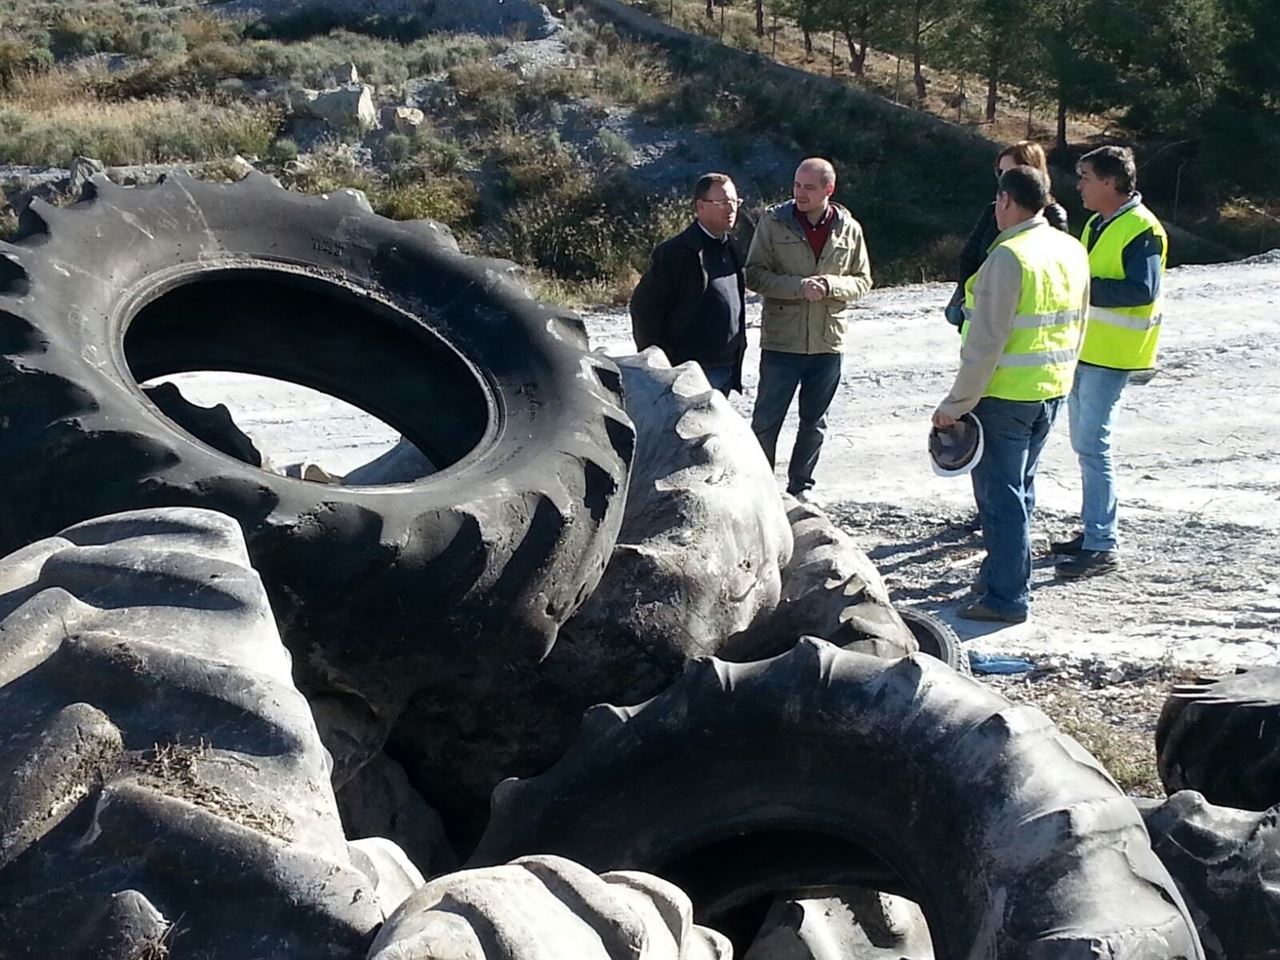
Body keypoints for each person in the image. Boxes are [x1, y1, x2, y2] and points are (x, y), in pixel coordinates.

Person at [933, 165, 1091, 623]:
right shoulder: (1070, 248)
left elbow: (985, 343)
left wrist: (955, 405)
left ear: (1005, 201)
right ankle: (1003, 576)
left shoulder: (1009, 257)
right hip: (1051, 389)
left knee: (1000, 500)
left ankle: (1006, 596)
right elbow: (1080, 321)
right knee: (1020, 492)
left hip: (1003, 397)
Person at [1053, 145, 1168, 578]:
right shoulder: (1100, 224)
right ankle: (1094, 530)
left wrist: (1081, 288)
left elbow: (1142, 289)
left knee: (1093, 446)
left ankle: (1102, 543)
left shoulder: (1141, 228)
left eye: (1085, 177)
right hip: (1087, 350)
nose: (1079, 185)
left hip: (1112, 355)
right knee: (1086, 446)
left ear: (1109, 182)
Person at [744, 157, 872, 498]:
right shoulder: (773, 223)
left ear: (829, 190)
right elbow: (754, 274)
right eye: (797, 185)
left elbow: (862, 282)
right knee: (766, 422)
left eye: (809, 187)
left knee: (815, 423)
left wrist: (830, 286)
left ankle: (801, 487)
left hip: (828, 342)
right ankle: (759, 489)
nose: (800, 193)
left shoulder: (849, 228)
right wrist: (798, 286)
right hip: (782, 341)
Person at [630, 172, 747, 395]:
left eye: (734, 201)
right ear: (701, 206)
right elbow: (644, 309)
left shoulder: (731, 247)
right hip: (689, 371)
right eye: (722, 202)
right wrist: (659, 363)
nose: (731, 209)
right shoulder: (676, 252)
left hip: (726, 367)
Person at [945, 141, 1069, 328]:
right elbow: (968, 258)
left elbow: (1053, 271)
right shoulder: (993, 211)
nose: (1003, 179)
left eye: (1010, 172)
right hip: (982, 309)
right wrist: (970, 296)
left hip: (1025, 316)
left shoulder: (1053, 215)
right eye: (999, 172)